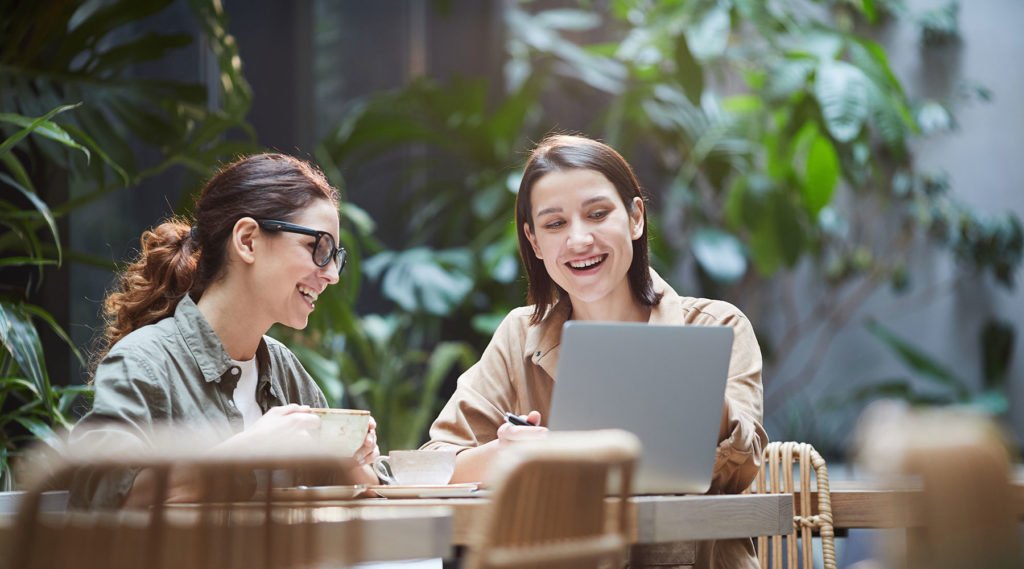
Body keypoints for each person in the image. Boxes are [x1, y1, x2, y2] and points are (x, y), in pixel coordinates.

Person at [422, 134, 768, 568]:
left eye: (598, 214)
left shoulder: (717, 326)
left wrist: (685, 385)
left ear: (635, 217)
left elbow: (742, 465)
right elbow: (436, 466)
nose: (579, 239)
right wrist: (512, 454)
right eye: (555, 224)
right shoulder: (518, 336)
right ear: (534, 241)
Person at [71, 153, 380, 508]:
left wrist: (354, 463)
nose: (332, 274)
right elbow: (102, 499)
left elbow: (366, 494)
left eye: (335, 256)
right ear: (248, 240)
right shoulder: (144, 362)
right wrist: (244, 454)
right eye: (318, 248)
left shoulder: (285, 372)